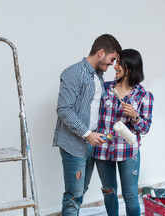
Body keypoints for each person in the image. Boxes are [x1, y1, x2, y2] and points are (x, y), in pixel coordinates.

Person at [53, 34, 122, 215]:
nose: (112, 65)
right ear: (101, 52)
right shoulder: (74, 73)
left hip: (90, 145)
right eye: (111, 59)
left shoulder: (98, 77)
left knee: (80, 192)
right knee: (73, 196)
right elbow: (63, 110)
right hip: (74, 144)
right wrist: (87, 134)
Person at [93, 49, 154, 216]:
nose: (115, 66)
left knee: (131, 196)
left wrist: (134, 116)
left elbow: (145, 128)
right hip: (103, 150)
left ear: (130, 67)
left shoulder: (144, 96)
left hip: (128, 152)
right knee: (109, 192)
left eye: (119, 63)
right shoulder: (104, 88)